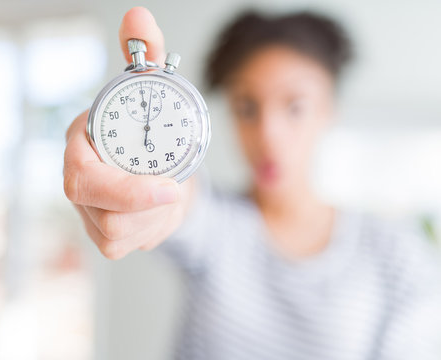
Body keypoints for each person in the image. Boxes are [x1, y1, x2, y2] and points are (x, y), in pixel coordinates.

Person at [63, 6, 441, 359]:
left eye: (295, 106)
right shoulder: (217, 229)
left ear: (329, 111)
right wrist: (138, 182)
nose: (268, 135)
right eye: (247, 108)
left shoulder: (395, 254)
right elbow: (181, 209)